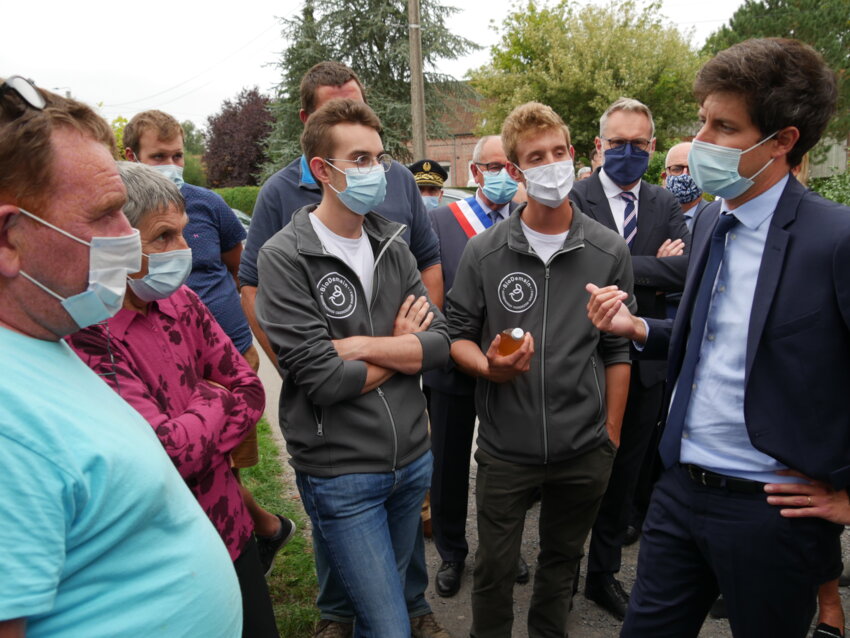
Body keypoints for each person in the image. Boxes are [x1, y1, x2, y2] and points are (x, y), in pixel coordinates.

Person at [584, 38, 849, 638]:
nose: (700, 140)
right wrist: (639, 327)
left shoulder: (834, 239)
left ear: (782, 141)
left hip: (772, 510)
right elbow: (716, 337)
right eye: (702, 120)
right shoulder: (710, 218)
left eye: (724, 127)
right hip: (679, 488)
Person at [0, 76, 241, 637]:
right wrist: (214, 402)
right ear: (9, 238)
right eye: (109, 213)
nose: (128, 238)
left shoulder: (46, 334)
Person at [240, 61, 445, 638]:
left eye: (378, 157)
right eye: (359, 159)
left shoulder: (392, 243)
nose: (376, 171)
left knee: (391, 608)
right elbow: (323, 380)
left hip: (411, 461)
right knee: (387, 625)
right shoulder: (285, 256)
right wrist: (402, 347)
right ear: (321, 170)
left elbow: (440, 341)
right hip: (343, 471)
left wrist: (369, 346)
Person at [67, 162, 279, 638]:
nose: (184, 250)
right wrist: (214, 399)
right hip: (164, 557)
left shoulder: (182, 301)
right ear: (117, 243)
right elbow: (167, 453)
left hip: (231, 528)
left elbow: (249, 389)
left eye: (183, 232)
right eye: (164, 236)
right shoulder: (90, 335)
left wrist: (194, 422)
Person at [447, 101, 635, 638]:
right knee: (494, 568)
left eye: (558, 152)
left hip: (584, 449)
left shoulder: (608, 249)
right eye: (535, 157)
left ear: (573, 154)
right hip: (506, 450)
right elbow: (456, 335)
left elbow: (617, 350)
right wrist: (489, 368)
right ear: (515, 170)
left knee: (561, 564)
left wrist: (611, 434)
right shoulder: (484, 252)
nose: (551, 165)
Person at [123, 109, 294, 576]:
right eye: (159, 157)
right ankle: (254, 533)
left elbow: (238, 268)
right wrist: (215, 399)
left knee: (227, 461)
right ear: (131, 156)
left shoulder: (209, 205)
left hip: (229, 348)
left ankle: (245, 539)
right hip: (168, 359)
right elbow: (167, 446)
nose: (172, 166)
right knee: (197, 457)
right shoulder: (124, 222)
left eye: (178, 155)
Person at [569, 97, 689, 620]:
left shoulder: (664, 203)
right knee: (573, 474)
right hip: (583, 360)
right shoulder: (574, 197)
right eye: (617, 142)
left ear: (652, 146)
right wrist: (647, 266)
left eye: (638, 143)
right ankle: (562, 572)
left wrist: (614, 266)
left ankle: (603, 574)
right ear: (599, 146)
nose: (627, 151)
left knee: (624, 475)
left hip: (645, 362)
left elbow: (685, 270)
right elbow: (573, 269)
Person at [424, 135, 526, 598]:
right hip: (452, 365)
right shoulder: (442, 220)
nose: (501, 174)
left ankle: (504, 548)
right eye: (492, 166)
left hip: (510, 366)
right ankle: (452, 552)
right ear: (476, 171)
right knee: (448, 465)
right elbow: (429, 293)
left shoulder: (527, 218)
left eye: (509, 166)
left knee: (506, 466)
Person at [662, 142, 710, 232]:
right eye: (677, 169)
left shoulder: (716, 218)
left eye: (692, 168)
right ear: (665, 176)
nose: (685, 175)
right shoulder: (650, 217)